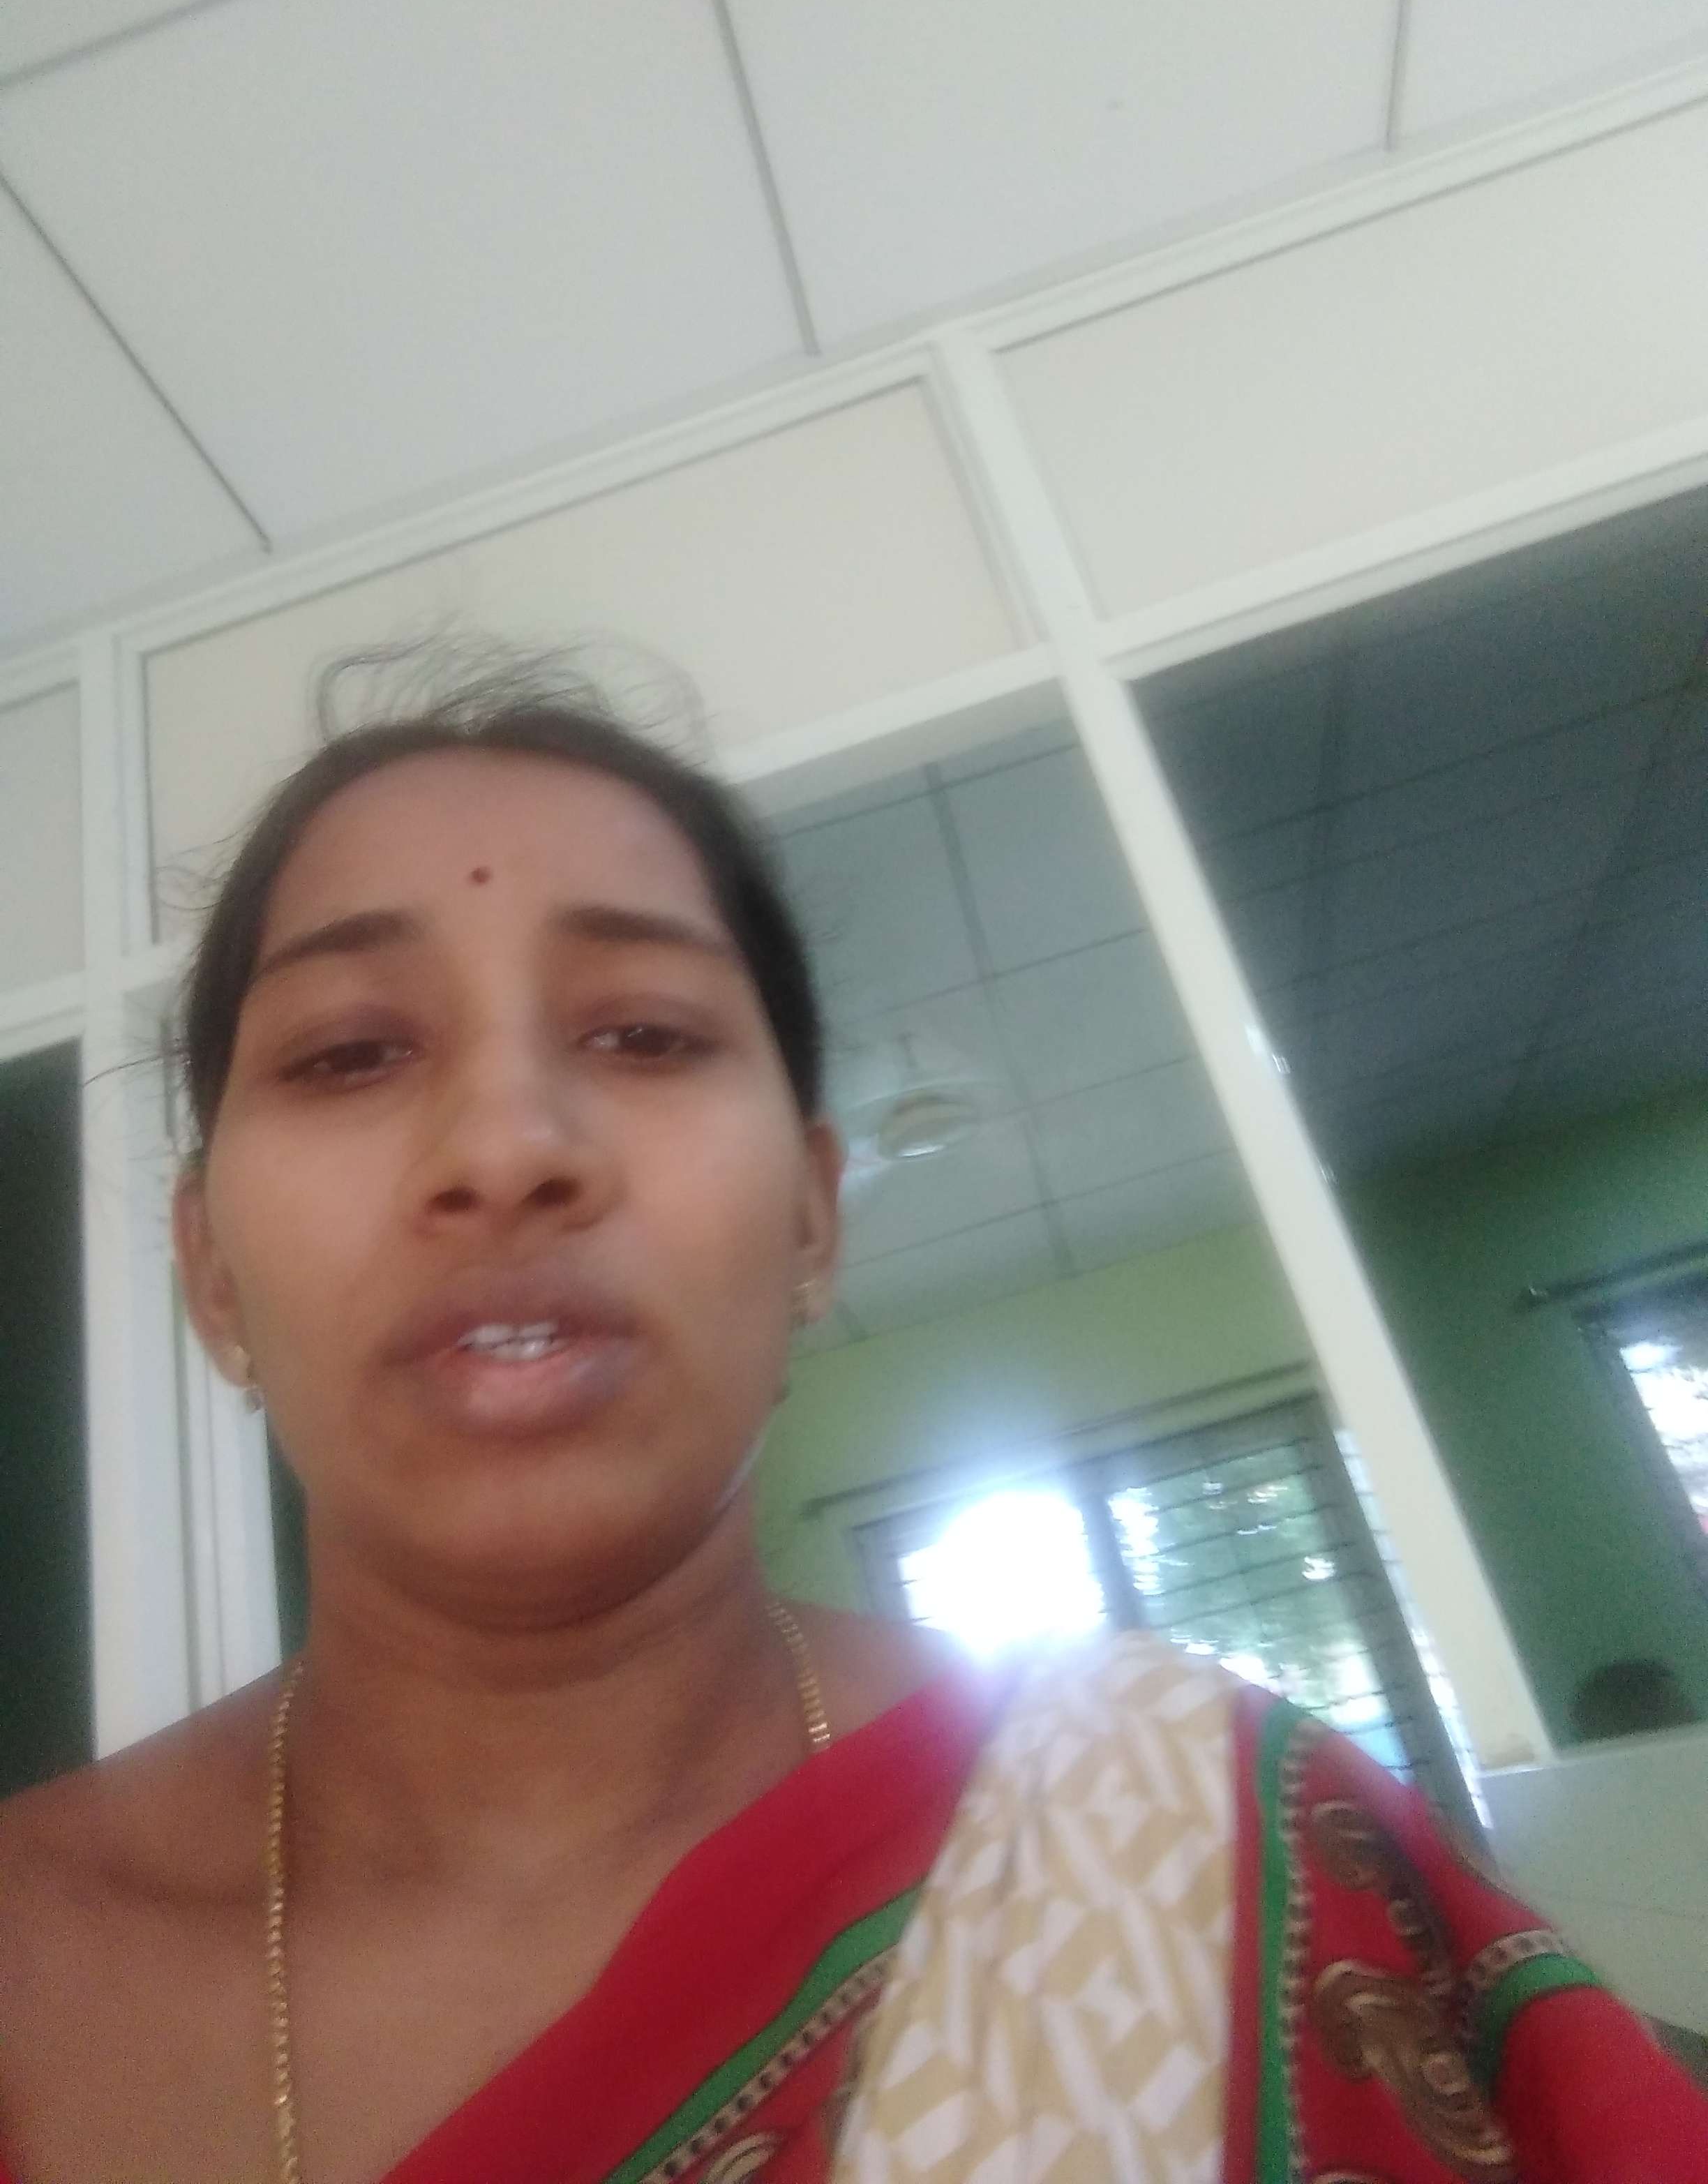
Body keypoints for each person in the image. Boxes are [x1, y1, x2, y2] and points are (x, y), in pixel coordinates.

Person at [0, 650, 1702, 2183]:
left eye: (642, 1032)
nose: (507, 1147)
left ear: (813, 1222)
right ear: (211, 1273)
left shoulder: (1210, 1833)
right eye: (351, 1054)